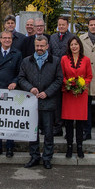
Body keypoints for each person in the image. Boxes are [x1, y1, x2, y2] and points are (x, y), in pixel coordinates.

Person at [19, 36, 62, 169]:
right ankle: (34, 156)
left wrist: (47, 92)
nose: (39, 49)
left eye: (42, 46)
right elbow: (21, 78)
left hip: (48, 102)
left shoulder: (55, 61)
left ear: (47, 46)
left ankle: (47, 158)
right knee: (33, 132)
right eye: (37, 46)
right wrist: (30, 88)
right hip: (32, 103)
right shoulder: (26, 61)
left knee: (48, 132)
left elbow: (59, 80)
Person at [0, 30, 23, 158]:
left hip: (10, 91)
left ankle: (9, 147)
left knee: (9, 120)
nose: (7, 40)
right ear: (0, 39)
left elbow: (20, 73)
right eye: (5, 38)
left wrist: (14, 82)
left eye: (9, 38)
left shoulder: (17, 54)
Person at [61, 36, 92, 159]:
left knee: (80, 123)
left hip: (81, 94)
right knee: (68, 123)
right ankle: (69, 146)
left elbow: (89, 76)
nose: (74, 46)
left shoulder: (86, 60)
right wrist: (67, 83)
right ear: (69, 46)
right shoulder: (64, 59)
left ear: (80, 45)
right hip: (68, 94)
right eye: (71, 44)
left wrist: (82, 83)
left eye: (76, 44)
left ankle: (79, 146)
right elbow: (61, 75)